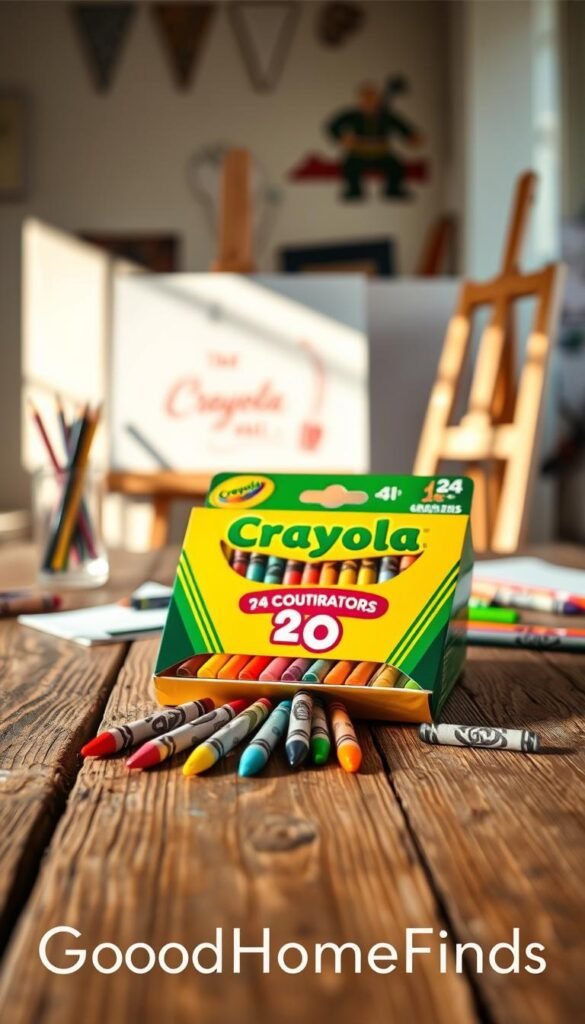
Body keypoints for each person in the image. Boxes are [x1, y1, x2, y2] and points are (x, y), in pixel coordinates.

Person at [327, 76, 423, 199]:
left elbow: (400, 126)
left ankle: (393, 190)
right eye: (366, 98)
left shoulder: (386, 116)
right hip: (359, 152)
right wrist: (342, 138)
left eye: (373, 98)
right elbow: (332, 126)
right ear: (360, 100)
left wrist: (410, 136)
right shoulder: (353, 115)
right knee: (350, 167)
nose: (370, 101)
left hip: (382, 152)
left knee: (395, 167)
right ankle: (354, 190)